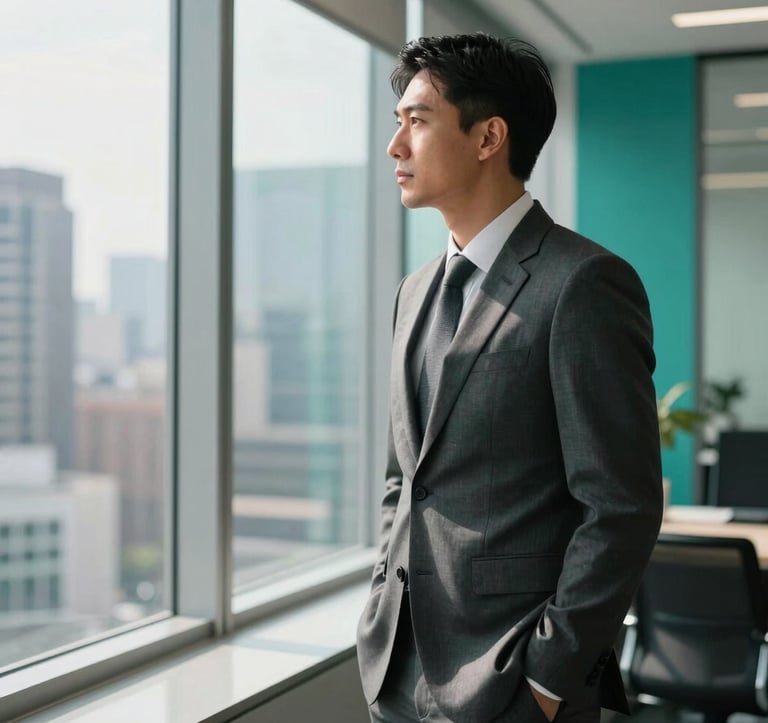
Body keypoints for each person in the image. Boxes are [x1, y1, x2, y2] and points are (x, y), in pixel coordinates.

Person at [356, 33, 663, 723]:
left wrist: (548, 681)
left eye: (418, 120)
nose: (395, 146)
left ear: (489, 135)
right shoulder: (414, 291)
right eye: (396, 122)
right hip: (398, 672)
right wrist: (382, 595)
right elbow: (404, 480)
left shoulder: (582, 284)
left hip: (515, 681)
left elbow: (620, 508)